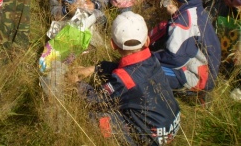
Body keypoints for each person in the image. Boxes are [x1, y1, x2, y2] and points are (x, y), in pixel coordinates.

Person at [70, 12, 180, 145]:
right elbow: (121, 68)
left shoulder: (124, 79)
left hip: (152, 139)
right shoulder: (152, 60)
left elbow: (95, 99)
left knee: (96, 117)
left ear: (113, 44)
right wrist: (95, 68)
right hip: (172, 124)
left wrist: (77, 84)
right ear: (147, 41)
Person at [153, 0, 221, 96]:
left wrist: (150, 57)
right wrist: (176, 14)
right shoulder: (198, 11)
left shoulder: (182, 23)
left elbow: (173, 58)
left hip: (197, 78)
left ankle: (194, 92)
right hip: (207, 71)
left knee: (146, 71)